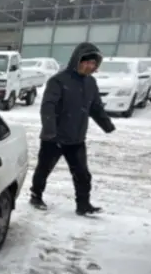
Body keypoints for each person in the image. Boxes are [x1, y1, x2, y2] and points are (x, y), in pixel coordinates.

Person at [29, 42, 115, 216]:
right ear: (77, 60)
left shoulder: (90, 83)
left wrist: (107, 125)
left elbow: (95, 107)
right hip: (54, 138)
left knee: (83, 174)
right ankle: (36, 195)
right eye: (87, 62)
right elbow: (48, 106)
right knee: (44, 169)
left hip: (76, 138)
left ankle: (83, 205)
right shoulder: (58, 81)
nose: (90, 66)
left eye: (93, 63)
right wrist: (50, 130)